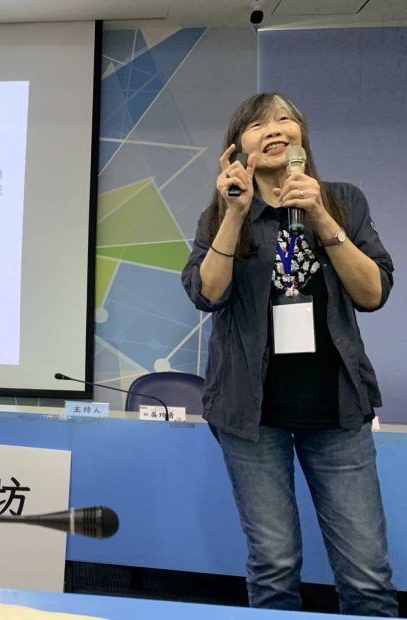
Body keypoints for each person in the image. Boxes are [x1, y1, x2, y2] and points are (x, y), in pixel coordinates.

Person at [181, 92, 398, 616]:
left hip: (336, 409)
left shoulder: (342, 200)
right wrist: (234, 214)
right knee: (273, 566)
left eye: (284, 119)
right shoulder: (221, 215)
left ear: (301, 134)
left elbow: (373, 294)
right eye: (259, 124)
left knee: (367, 573)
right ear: (238, 146)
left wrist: (321, 217)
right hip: (251, 415)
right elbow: (207, 294)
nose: (275, 129)